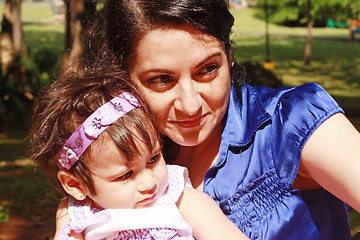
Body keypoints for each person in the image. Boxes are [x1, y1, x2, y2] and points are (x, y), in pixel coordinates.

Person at [54, 0, 360, 239]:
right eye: (161, 80)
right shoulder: (111, 157)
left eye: (208, 70)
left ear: (228, 52)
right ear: (121, 69)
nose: (190, 105)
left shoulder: (292, 124)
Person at [30, 65, 249, 240]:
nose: (149, 183)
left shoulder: (178, 198)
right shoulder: (76, 216)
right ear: (77, 185)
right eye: (126, 174)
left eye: (153, 159)